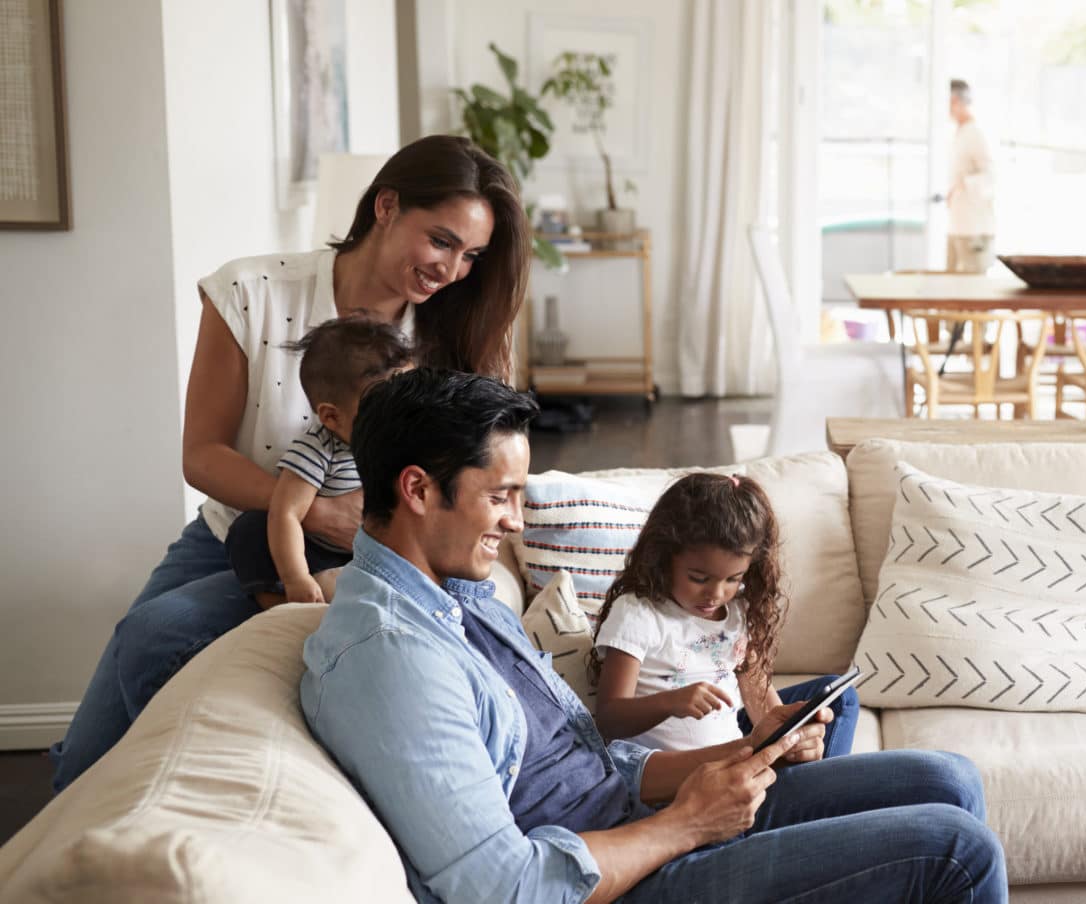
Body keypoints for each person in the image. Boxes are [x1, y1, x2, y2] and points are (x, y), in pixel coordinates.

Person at [302, 368, 1006, 903]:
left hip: (641, 816)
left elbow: (594, 764)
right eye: (499, 495)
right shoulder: (391, 660)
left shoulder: (462, 597)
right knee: (955, 850)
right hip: (625, 876)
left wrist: (748, 751)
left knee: (947, 778)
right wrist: (689, 824)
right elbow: (503, 887)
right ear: (419, 491)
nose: (515, 521)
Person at [51, 134, 530, 791]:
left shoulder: (449, 334)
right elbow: (203, 455)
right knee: (82, 762)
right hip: (236, 530)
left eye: (471, 255)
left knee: (159, 635)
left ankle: (186, 797)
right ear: (386, 206)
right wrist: (316, 509)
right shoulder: (253, 291)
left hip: (364, 557)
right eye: (441, 240)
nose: (452, 270)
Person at [590, 473, 859, 760]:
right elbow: (608, 717)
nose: (716, 593)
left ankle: (813, 779)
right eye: (699, 578)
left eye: (733, 579)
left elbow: (763, 706)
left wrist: (791, 741)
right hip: (687, 775)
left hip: (738, 755)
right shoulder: (639, 614)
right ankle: (816, 788)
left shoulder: (737, 612)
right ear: (664, 556)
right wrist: (670, 702)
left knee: (840, 698)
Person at [224, 315, 414, 609]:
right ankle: (280, 603)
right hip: (320, 554)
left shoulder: (407, 441)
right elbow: (285, 513)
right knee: (251, 528)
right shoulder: (318, 449)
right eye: (383, 408)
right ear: (331, 417)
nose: (401, 418)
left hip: (380, 553)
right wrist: (295, 576)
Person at [945, 78, 997, 274]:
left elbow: (991, 176)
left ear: (956, 101)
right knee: (950, 289)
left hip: (974, 228)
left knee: (972, 290)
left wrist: (962, 185)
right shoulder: (959, 133)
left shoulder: (977, 133)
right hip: (957, 225)